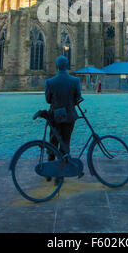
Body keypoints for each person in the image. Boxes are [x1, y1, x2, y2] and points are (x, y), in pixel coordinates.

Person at [45, 55, 82, 184]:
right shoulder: (75, 81)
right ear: (67, 66)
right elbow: (78, 97)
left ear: (56, 66)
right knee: (65, 143)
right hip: (69, 116)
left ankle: (48, 172)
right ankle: (59, 176)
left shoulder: (50, 82)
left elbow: (48, 100)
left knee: (52, 142)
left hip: (55, 115)